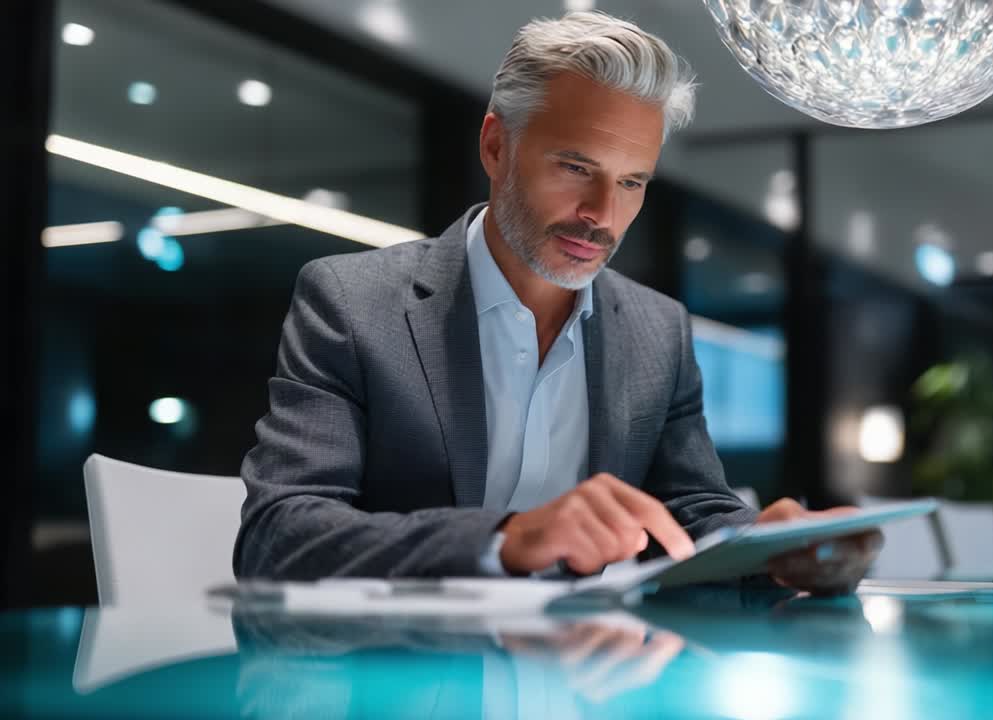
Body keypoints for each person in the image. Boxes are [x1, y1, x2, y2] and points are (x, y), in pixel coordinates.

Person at [234, 11, 882, 593]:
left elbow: (697, 514)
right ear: (496, 146)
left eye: (631, 182)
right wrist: (506, 540)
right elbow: (278, 535)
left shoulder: (660, 332)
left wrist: (772, 545)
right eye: (575, 168)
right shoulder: (350, 302)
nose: (602, 214)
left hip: (586, 679)